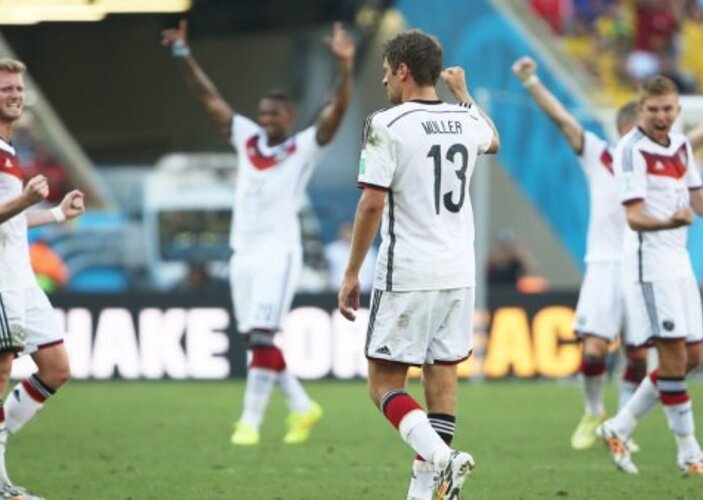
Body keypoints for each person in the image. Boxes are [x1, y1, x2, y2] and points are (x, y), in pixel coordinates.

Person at [512, 56, 703, 453]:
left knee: (641, 354)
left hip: (649, 262)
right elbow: (564, 120)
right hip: (605, 263)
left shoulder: (667, 151)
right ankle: (595, 412)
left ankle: (623, 429)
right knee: (597, 346)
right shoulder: (604, 154)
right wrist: (531, 82)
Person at [161, 20, 354, 446]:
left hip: (278, 253)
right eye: (263, 112)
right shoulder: (246, 138)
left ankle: (248, 422)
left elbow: (336, 114)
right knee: (254, 338)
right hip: (242, 253)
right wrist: (182, 54)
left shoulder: (304, 146)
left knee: (264, 336)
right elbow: (208, 98)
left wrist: (345, 69)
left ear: (290, 116)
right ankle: (303, 407)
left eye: (275, 113)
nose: (267, 119)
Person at [338, 31, 499, 500]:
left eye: (388, 68)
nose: (385, 77)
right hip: (457, 272)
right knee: (441, 383)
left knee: (383, 385)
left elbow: (371, 204)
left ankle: (444, 459)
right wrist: (464, 95)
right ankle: (423, 495)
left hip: (407, 270)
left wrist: (351, 273)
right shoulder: (464, 120)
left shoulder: (386, 123)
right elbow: (494, 139)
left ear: (403, 70)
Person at [597, 75, 703, 475]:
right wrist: (669, 220)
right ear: (641, 110)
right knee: (674, 357)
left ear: (678, 110)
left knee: (692, 358)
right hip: (650, 263)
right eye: (653, 109)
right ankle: (690, 454)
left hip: (679, 261)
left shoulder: (680, 146)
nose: (661, 116)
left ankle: (619, 425)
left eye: (667, 109)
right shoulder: (631, 151)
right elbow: (635, 216)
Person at [0, 58, 86, 500]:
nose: (15, 95)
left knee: (56, 369)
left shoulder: (5, 148)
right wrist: (24, 200)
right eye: (5, 89)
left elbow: (10, 221)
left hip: (20, 278)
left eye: (18, 89)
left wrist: (56, 213)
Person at [324, 221, 376, 293]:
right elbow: (323, 273)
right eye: (346, 231)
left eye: (351, 231)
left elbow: (374, 276)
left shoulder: (370, 251)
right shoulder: (331, 250)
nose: (348, 234)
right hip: (335, 293)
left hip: (364, 293)